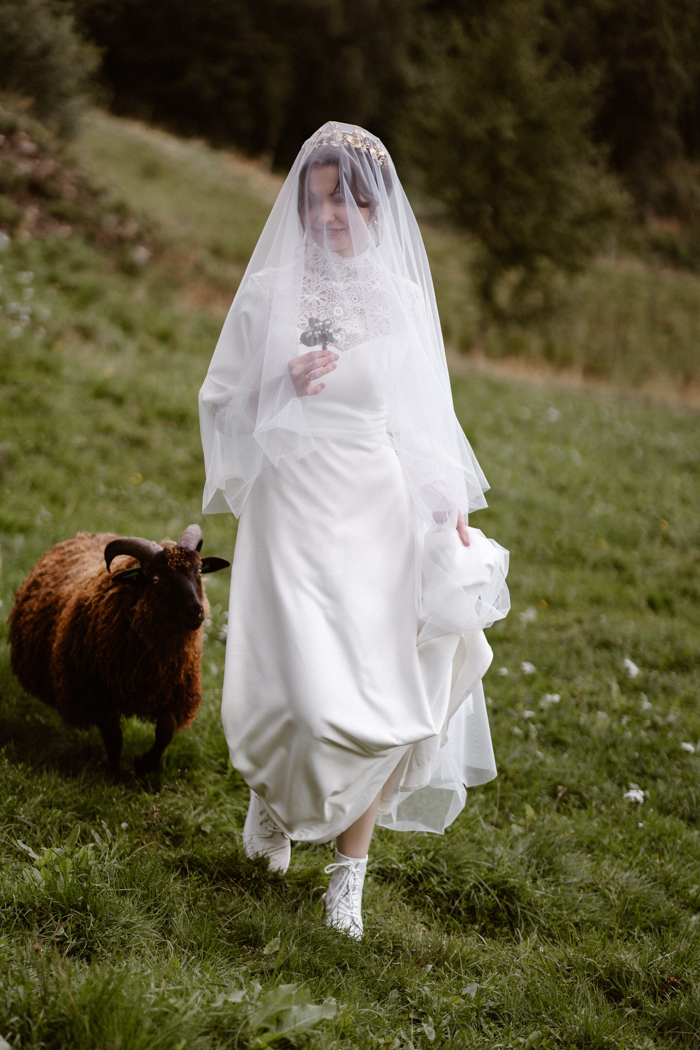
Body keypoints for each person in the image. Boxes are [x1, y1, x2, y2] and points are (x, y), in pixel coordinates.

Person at [199, 121, 509, 939]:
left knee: (377, 700)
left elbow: (426, 420)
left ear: (376, 204)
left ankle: (349, 877)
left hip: (378, 508)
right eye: (317, 196)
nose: (329, 213)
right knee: (297, 689)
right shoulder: (270, 292)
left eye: (346, 198)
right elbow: (224, 407)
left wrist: (453, 511)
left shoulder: (402, 300)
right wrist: (282, 380)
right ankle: (273, 801)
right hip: (293, 504)